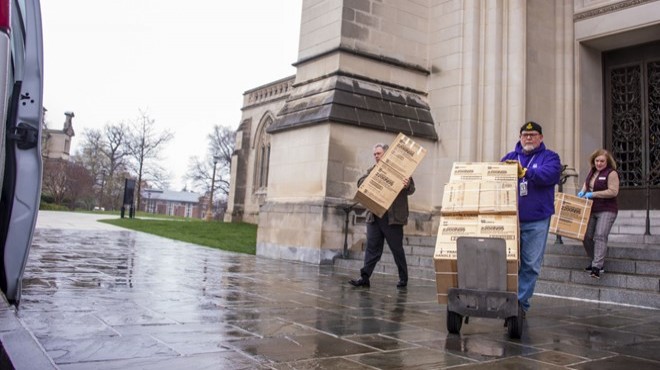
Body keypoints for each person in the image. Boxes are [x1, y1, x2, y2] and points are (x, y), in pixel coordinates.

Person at [501, 121, 562, 313]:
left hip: (536, 220)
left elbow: (551, 174)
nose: (528, 138)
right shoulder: (510, 158)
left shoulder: (549, 157)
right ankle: (511, 300)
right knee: (506, 262)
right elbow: (495, 177)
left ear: (541, 138)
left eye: (533, 135)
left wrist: (527, 172)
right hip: (510, 220)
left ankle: (518, 304)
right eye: (525, 135)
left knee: (530, 264)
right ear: (520, 137)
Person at [349, 143, 415, 289]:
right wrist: (371, 179)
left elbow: (411, 189)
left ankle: (403, 278)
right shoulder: (372, 170)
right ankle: (364, 277)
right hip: (374, 216)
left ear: (386, 154)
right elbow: (360, 182)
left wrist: (407, 184)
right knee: (372, 248)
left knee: (396, 249)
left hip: (393, 218)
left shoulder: (400, 170)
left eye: (378, 153)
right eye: (374, 154)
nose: (376, 156)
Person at [577, 149, 619, 279]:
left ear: (607, 162)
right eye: (597, 161)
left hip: (607, 209)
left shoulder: (611, 173)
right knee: (585, 236)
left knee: (600, 235)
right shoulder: (592, 172)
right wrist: (582, 192)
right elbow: (586, 185)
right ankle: (595, 259)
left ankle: (597, 266)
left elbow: (613, 191)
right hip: (592, 209)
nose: (599, 163)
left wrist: (593, 194)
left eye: (602, 161)